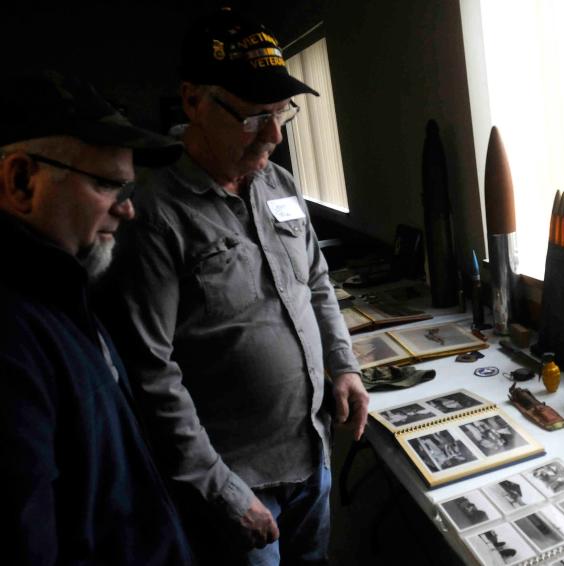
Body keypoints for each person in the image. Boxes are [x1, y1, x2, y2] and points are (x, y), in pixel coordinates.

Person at [100, 8, 369, 565]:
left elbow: (316, 281)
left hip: (310, 452)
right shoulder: (154, 213)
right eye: (252, 117)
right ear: (193, 100)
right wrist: (219, 488)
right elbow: (150, 371)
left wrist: (343, 366)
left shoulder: (279, 181)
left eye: (281, 114)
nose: (272, 135)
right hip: (239, 486)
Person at [0, 70, 191, 564]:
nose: (127, 211)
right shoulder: (13, 338)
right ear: (21, 181)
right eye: (109, 186)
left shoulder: (64, 292)